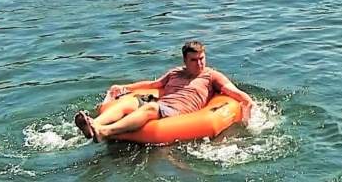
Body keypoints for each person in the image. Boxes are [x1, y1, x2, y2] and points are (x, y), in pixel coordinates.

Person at [75, 40, 258, 141]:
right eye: (194, 60)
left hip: (177, 112)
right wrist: (124, 88)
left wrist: (247, 102)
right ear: (185, 60)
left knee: (151, 108)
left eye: (202, 58)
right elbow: (154, 85)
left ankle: (105, 131)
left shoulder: (211, 76)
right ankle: (94, 124)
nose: (199, 63)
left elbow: (232, 91)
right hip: (162, 104)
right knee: (128, 103)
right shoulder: (175, 72)